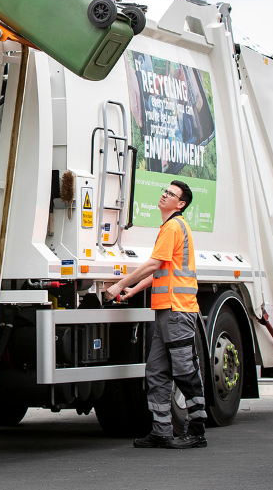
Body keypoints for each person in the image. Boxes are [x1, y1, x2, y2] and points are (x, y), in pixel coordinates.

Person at [105, 180, 207, 449]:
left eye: (171, 194)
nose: (164, 195)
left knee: (184, 372)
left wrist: (119, 285)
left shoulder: (173, 227)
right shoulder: (171, 227)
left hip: (177, 310)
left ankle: (197, 431)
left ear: (180, 204)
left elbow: (153, 263)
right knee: (157, 372)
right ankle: (162, 431)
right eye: (165, 191)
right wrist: (134, 290)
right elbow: (161, 270)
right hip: (167, 311)